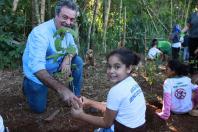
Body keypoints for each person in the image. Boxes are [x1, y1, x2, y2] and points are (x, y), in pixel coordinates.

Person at [22, 0, 83, 113]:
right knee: (38, 109)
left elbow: (74, 48)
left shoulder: (67, 31)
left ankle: (75, 96)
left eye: (72, 19)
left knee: (77, 61)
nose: (68, 22)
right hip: (38, 73)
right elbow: (37, 68)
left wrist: (67, 58)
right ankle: (28, 85)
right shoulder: (40, 33)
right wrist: (61, 89)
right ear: (56, 15)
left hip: (55, 67)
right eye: (65, 17)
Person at [71, 48, 146, 131]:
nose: (111, 71)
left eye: (117, 67)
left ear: (128, 68)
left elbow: (106, 123)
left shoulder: (116, 91)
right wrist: (89, 102)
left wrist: (81, 115)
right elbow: (113, 108)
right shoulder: (131, 82)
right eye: (109, 66)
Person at [182, 8, 198, 74]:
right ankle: (191, 70)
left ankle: (196, 70)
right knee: (191, 56)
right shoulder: (193, 15)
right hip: (191, 39)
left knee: (197, 55)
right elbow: (187, 26)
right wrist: (180, 33)